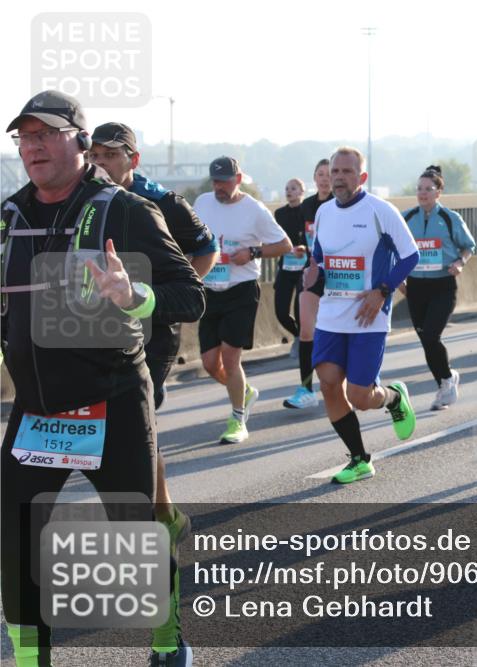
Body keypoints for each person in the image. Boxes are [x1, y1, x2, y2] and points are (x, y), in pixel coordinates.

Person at [2, 90, 203, 667]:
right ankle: (31, 659)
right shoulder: (9, 216)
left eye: (47, 133)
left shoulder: (126, 211)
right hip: (38, 407)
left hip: (111, 400)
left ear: (81, 142)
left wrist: (134, 294)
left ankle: (166, 642)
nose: (34, 146)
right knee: (14, 540)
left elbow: (190, 295)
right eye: (25, 136)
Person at [88, 121, 218, 549]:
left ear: (134, 159)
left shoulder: (163, 202)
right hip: (102, 327)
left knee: (139, 418)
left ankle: (159, 518)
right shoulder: (83, 200)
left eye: (111, 155)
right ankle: (160, 513)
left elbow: (206, 248)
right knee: (114, 423)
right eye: (95, 155)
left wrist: (172, 295)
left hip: (155, 327)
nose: (101, 164)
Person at [307, 147, 420, 484]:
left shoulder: (380, 211)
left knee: (360, 396)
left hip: (368, 316)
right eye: (335, 171)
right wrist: (313, 272)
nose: (339, 177)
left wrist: (382, 290)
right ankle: (359, 459)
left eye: (347, 172)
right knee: (329, 384)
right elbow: (320, 256)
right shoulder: (324, 212)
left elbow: (410, 256)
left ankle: (393, 396)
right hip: (331, 314)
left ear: (362, 177)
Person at [194, 157, 292, 444]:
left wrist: (252, 253)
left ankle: (238, 419)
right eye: (215, 181)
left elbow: (284, 245)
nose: (219, 187)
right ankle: (244, 391)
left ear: (238, 180)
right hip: (209, 289)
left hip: (241, 290)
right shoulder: (202, 203)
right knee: (209, 363)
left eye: (224, 182)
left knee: (230, 356)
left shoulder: (254, 210)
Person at [401, 165, 476, 410]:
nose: (422, 193)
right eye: (419, 189)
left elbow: (468, 247)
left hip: (442, 285)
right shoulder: (406, 218)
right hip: (415, 287)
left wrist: (459, 263)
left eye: (428, 189)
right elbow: (393, 249)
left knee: (432, 335)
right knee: (426, 340)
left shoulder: (449, 218)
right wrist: (399, 280)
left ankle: (445, 383)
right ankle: (446, 379)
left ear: (438, 192)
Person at [284, 159, 333, 409]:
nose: (325, 179)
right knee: (306, 329)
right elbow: (302, 237)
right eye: (320, 174)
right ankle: (306, 389)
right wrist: (304, 248)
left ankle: (356, 381)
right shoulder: (307, 206)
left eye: (329, 174)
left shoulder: (340, 204)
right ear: (314, 178)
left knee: (337, 330)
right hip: (313, 272)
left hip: (340, 274)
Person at [273, 177, 309, 355]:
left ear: (302, 191)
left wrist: (305, 248)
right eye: (287, 188)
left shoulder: (308, 211)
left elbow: (314, 236)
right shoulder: (279, 214)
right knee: (281, 311)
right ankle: (298, 334)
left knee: (299, 308)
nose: (289, 191)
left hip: (304, 267)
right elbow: (274, 237)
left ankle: (303, 340)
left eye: (293, 188)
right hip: (286, 266)